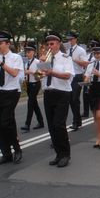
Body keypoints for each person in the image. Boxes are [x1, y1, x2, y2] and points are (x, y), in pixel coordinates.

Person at [0, 31, 24, 165]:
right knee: (0, 125)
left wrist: (0, 63)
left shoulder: (15, 58)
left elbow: (14, 73)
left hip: (12, 92)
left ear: (8, 43)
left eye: (1, 43)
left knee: (6, 122)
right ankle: (6, 153)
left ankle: (17, 149)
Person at [40, 31, 74, 167]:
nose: (49, 46)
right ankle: (58, 154)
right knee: (51, 127)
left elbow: (67, 76)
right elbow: (41, 76)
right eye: (48, 44)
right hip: (49, 93)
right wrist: (42, 68)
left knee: (59, 125)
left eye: (52, 44)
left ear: (58, 44)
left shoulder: (66, 58)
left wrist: (51, 72)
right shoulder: (45, 59)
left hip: (62, 93)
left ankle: (66, 154)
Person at [66, 31, 88, 130]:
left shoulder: (80, 50)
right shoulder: (67, 50)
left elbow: (85, 64)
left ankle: (76, 122)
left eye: (71, 39)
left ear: (75, 39)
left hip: (78, 76)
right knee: (71, 99)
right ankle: (78, 120)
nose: (69, 41)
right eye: (68, 39)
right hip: (70, 77)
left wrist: (73, 59)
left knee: (74, 99)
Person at [21, 41, 45, 132]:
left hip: (35, 83)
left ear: (34, 52)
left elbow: (40, 75)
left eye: (29, 52)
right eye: (26, 52)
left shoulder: (37, 62)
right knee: (34, 104)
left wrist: (30, 72)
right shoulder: (26, 62)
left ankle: (27, 124)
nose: (27, 54)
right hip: (28, 84)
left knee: (30, 103)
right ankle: (41, 122)